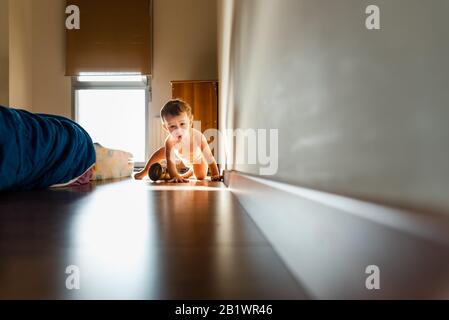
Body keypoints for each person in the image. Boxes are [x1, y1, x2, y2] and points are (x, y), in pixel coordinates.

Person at [134, 99, 220, 183]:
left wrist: (215, 174)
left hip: (198, 159)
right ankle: (145, 171)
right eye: (172, 126)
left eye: (182, 124)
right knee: (162, 151)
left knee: (200, 177)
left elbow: (209, 157)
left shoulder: (198, 137)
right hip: (179, 155)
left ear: (190, 122)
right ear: (165, 128)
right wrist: (174, 175)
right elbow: (170, 162)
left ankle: (190, 172)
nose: (178, 130)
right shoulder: (169, 141)